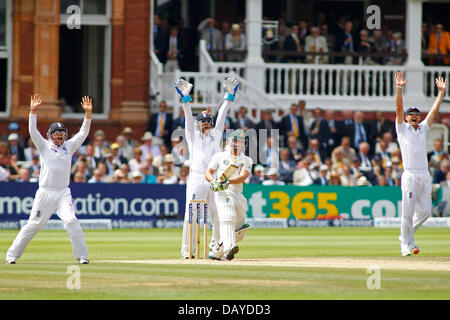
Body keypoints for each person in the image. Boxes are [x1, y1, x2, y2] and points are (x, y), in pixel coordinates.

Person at [6, 93, 93, 265]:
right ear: (50, 135)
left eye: (62, 134)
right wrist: (33, 110)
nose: (60, 137)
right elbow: (32, 131)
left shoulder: (69, 146)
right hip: (45, 193)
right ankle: (11, 256)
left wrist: (88, 114)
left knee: (71, 221)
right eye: (57, 134)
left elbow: (83, 133)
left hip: (63, 192)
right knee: (33, 225)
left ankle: (82, 256)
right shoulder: (44, 145)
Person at [174, 77, 239, 259]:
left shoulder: (216, 134)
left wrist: (229, 96)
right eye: (204, 122)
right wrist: (186, 99)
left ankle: (218, 249)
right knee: (192, 214)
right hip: (197, 178)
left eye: (209, 122)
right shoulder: (192, 136)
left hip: (215, 178)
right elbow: (188, 117)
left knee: (217, 214)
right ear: (199, 124)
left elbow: (223, 114)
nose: (207, 124)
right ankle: (187, 251)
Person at [394, 72, 447, 256]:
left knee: (425, 212)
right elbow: (399, 108)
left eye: (417, 114)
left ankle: (406, 238)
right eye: (412, 115)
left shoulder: (423, 129)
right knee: (407, 213)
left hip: (424, 174)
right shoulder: (401, 129)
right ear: (407, 118)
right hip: (409, 175)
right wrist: (399, 88)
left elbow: (434, 110)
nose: (415, 117)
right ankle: (405, 245)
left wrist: (441, 93)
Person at [205, 129, 252, 261]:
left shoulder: (247, 160)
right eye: (236, 141)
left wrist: (227, 180)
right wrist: (213, 181)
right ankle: (229, 247)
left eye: (241, 142)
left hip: (237, 193)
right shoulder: (220, 156)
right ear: (231, 142)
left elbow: (243, 177)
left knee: (240, 229)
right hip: (222, 192)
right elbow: (208, 172)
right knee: (228, 216)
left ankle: (217, 252)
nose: (238, 144)